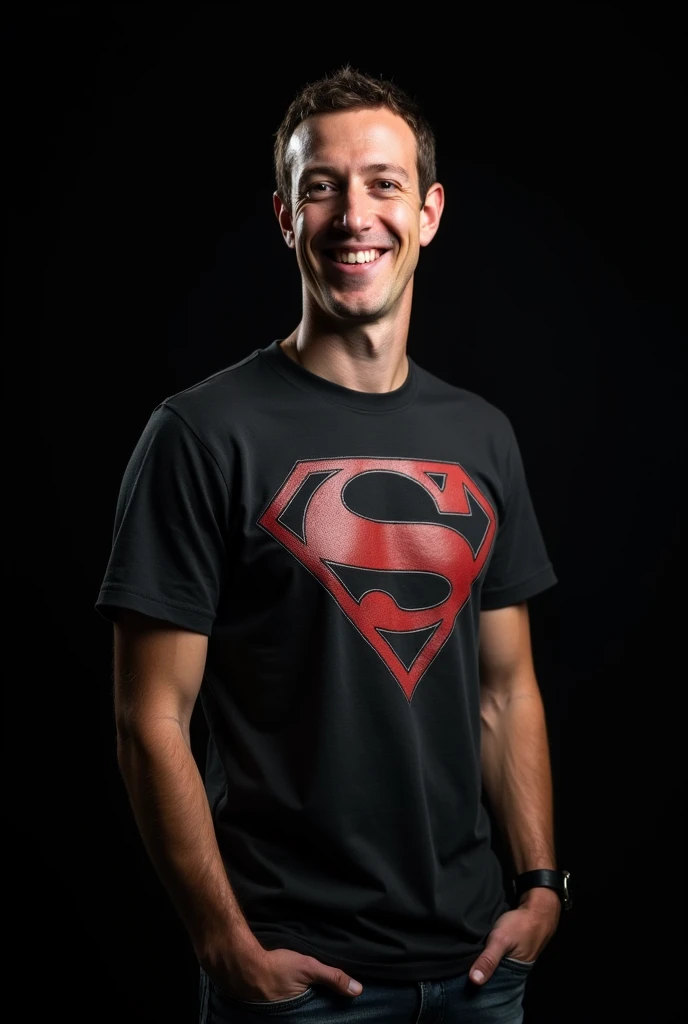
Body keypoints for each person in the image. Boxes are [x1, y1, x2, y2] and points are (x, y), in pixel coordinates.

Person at [96, 65, 570, 1023]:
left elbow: (504, 687)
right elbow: (151, 718)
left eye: (385, 183)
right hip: (300, 982)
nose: (356, 214)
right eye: (323, 187)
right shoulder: (201, 434)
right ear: (285, 216)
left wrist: (543, 884)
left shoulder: (483, 435)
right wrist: (222, 942)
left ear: (429, 212)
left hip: (480, 971)